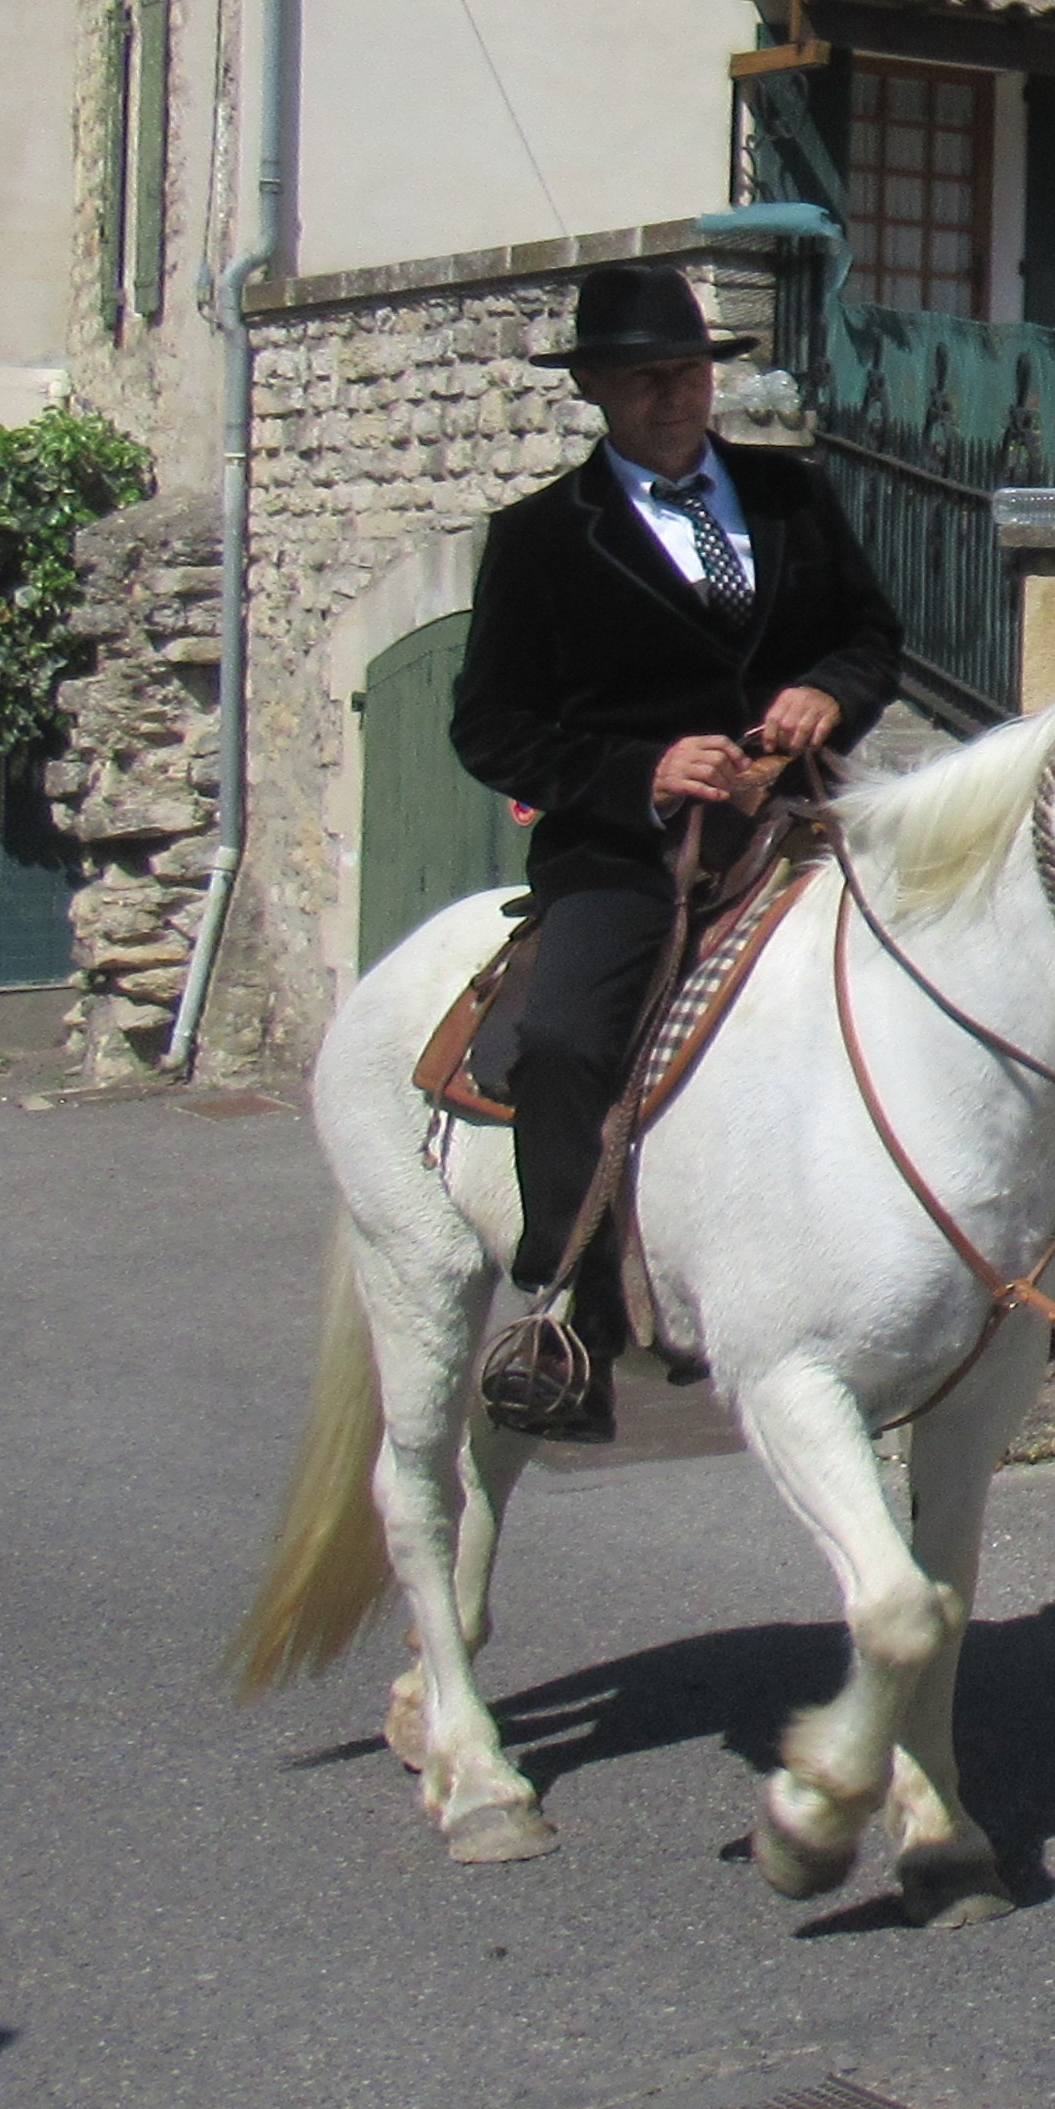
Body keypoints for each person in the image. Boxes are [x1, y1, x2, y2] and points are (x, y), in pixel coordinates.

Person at [450, 264, 903, 1438]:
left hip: (802, 816)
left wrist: (829, 691)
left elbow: (870, 636)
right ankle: (571, 1316)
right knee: (563, 1041)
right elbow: (489, 728)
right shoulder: (540, 540)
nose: (674, 395)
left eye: (689, 372)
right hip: (628, 851)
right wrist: (642, 773)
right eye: (646, 377)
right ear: (596, 390)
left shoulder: (792, 495)